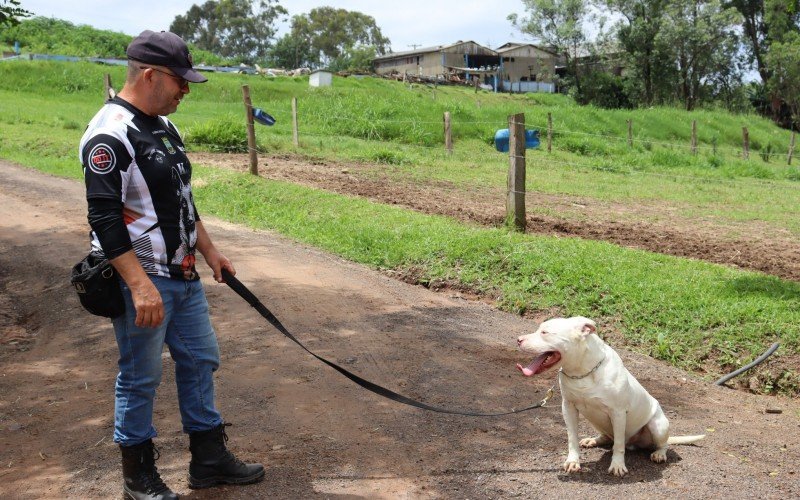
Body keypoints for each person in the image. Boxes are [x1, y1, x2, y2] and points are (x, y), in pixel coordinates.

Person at [79, 30, 264, 499]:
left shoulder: (163, 126)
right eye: (180, 81)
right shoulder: (109, 134)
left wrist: (210, 251)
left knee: (201, 360)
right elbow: (103, 218)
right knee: (140, 377)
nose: (185, 89)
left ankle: (208, 459)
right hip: (141, 280)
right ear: (150, 75)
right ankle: (137, 477)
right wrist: (140, 286)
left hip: (183, 273)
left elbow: (183, 201)